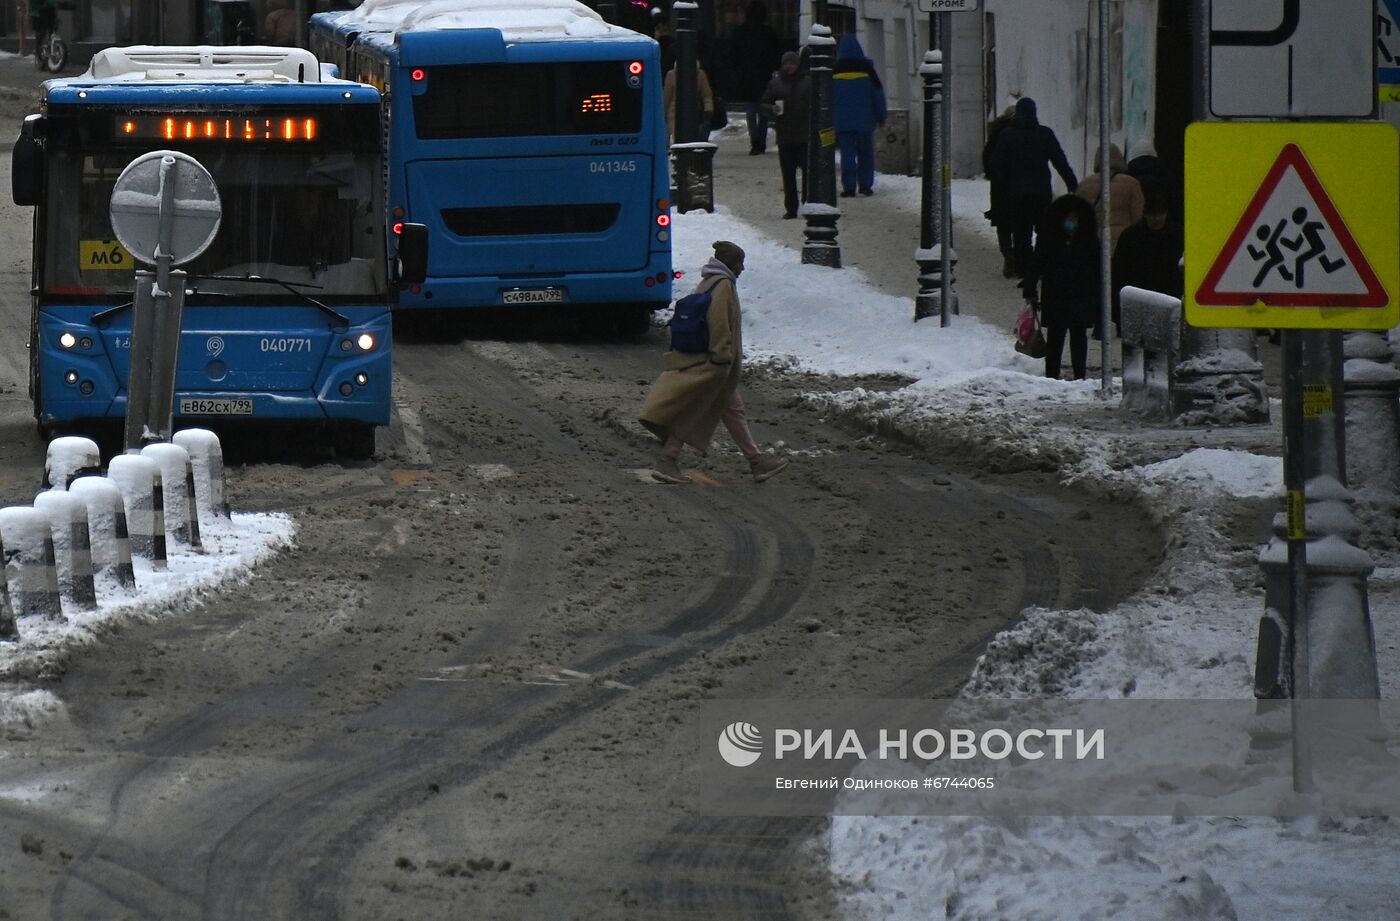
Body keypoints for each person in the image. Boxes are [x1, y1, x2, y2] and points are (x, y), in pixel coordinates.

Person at [640, 241, 789, 485]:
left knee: (732, 411)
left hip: (713, 364)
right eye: (739, 263)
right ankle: (668, 460)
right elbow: (718, 322)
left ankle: (756, 461)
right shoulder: (723, 285)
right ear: (730, 263)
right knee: (693, 411)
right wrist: (722, 356)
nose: (742, 268)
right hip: (715, 365)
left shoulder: (711, 279)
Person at [990, 97, 1078, 280]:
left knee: (1021, 233)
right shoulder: (1044, 134)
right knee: (1044, 230)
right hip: (1041, 192)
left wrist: (1006, 184)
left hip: (1017, 194)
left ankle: (1023, 269)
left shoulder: (1007, 135)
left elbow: (997, 165)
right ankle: (1041, 265)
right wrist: (1072, 184)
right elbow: (1059, 161)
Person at [1022, 195, 1100, 381]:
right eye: (1068, 218)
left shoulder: (1088, 240)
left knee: (1078, 336)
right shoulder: (1050, 239)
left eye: (1074, 219)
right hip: (1057, 294)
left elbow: (1097, 270)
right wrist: (1030, 290)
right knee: (1056, 337)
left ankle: (1079, 374)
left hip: (1078, 294)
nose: (1071, 223)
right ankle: (1052, 375)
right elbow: (1036, 264)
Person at [1111, 189, 1184, 334]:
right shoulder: (1131, 237)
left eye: (1160, 214)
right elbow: (1119, 274)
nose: (1156, 219)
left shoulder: (1177, 234)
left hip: (1164, 298)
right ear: (1145, 214)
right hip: (1143, 300)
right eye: (1153, 214)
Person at [831, 33, 887, 197]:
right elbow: (877, 96)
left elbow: (828, 98)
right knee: (866, 153)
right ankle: (865, 185)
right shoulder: (868, 71)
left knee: (847, 154)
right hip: (864, 122)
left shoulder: (834, 72)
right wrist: (881, 115)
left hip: (842, 122)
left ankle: (849, 187)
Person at [761, 52, 810, 219]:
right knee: (788, 175)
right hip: (785, 136)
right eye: (786, 63)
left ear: (798, 64)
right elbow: (764, 104)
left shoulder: (807, 82)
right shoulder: (776, 84)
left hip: (804, 135)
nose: (789, 66)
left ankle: (807, 203)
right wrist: (771, 109)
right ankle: (791, 207)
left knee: (808, 172)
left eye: (792, 63)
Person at [1075, 142, 1144, 255]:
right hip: (1123, 241)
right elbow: (1138, 217)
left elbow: (1078, 216)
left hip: (1094, 241)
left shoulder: (1084, 184)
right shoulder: (1132, 183)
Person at [733, 1, 783, 155]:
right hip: (764, 76)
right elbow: (776, 54)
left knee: (750, 110)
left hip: (747, 76)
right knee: (763, 110)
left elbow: (734, 55)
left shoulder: (741, 32)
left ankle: (755, 140)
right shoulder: (769, 32)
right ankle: (761, 141)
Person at [981, 105, 1017, 278]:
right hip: (1018, 184)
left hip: (999, 186)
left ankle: (1008, 255)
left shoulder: (996, 133)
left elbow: (987, 157)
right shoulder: (1021, 132)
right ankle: (1018, 256)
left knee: (1003, 224)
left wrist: (993, 175)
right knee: (1019, 222)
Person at [663, 60, 715, 142]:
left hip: (690, 111)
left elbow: (706, 95)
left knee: (689, 137)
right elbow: (667, 96)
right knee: (678, 137)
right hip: (677, 112)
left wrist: (708, 110)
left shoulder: (700, 74)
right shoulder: (672, 75)